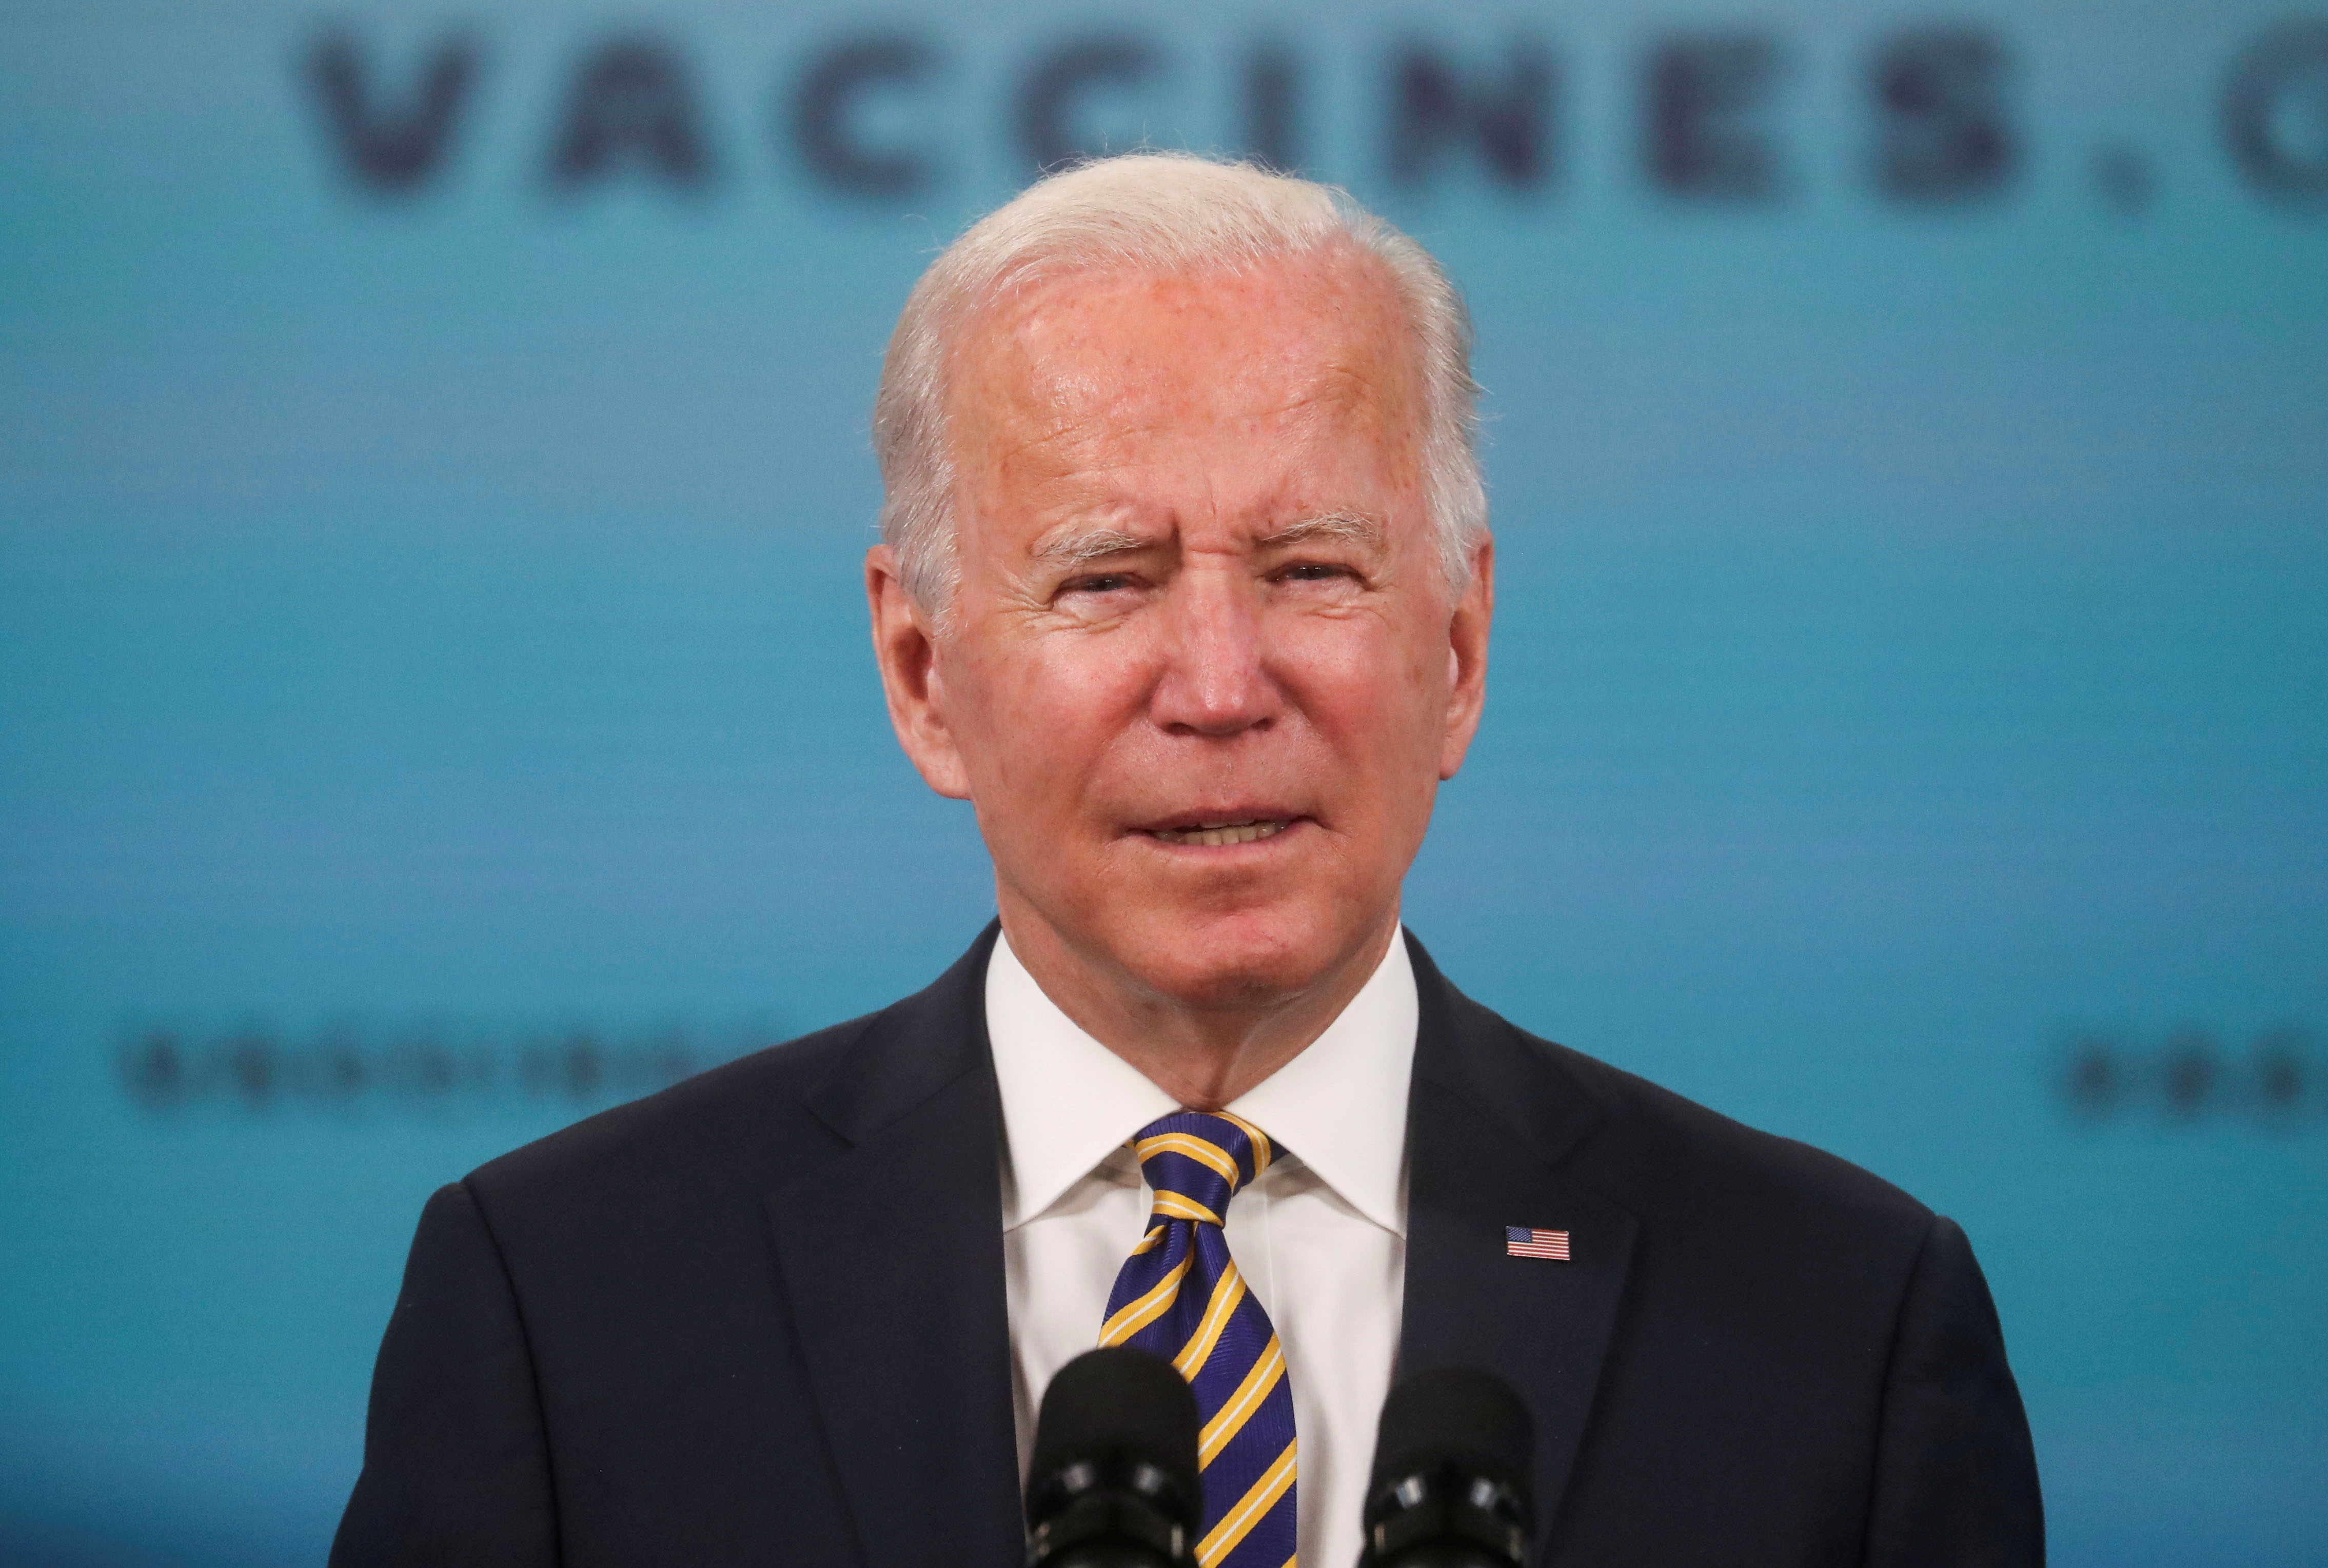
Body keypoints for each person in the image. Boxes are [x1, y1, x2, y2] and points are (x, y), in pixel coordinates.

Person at [331, 153, 2042, 1568]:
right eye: (1104, 579)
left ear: (1456, 649)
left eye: (1310, 568)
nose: (1222, 688)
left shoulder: (1841, 1324)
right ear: (923, 677)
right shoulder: (568, 1304)